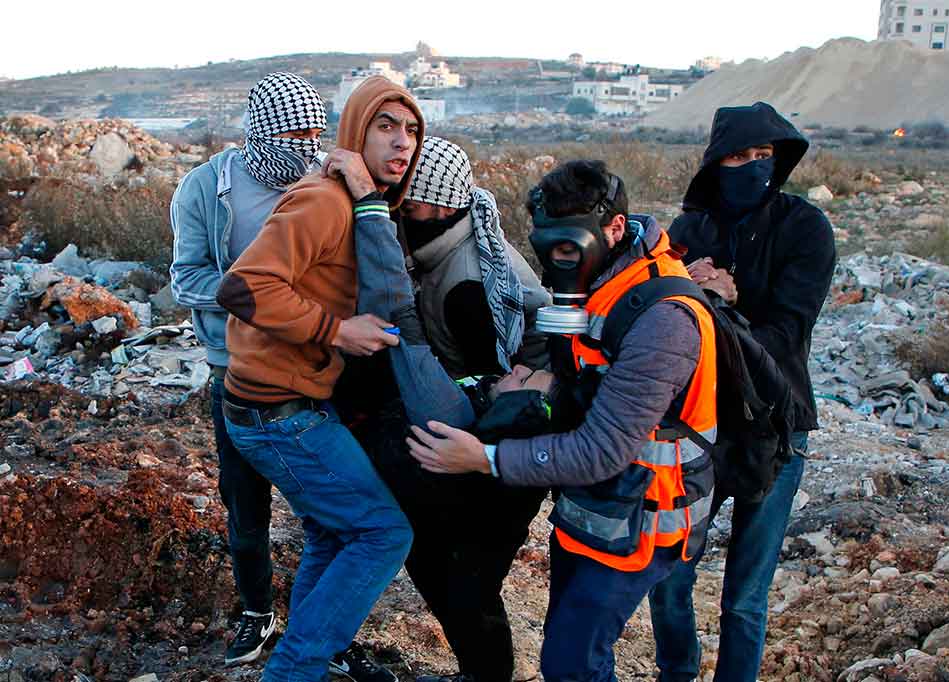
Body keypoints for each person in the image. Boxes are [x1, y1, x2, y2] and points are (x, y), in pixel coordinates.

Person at [403, 160, 718, 682]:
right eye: (548, 247)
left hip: (643, 519)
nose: (558, 261)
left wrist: (483, 458)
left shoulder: (664, 318)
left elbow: (603, 447)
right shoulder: (602, 284)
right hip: (591, 509)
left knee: (571, 665)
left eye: (569, 247)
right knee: (574, 653)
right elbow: (582, 390)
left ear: (613, 229)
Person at [214, 75, 424, 682]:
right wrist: (335, 331)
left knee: (335, 534)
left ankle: (307, 656)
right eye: (385, 127)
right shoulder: (324, 201)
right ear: (356, 132)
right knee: (384, 535)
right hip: (277, 412)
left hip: (292, 402)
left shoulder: (357, 202)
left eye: (411, 130)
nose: (401, 142)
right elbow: (242, 286)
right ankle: (293, 670)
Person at [323, 140, 554, 682]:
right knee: (453, 573)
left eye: (408, 199)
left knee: (465, 579)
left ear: (439, 205)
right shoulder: (453, 244)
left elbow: (473, 389)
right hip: (496, 426)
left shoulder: (465, 284)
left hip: (507, 435)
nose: (399, 205)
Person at [649, 101, 837, 682]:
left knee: (744, 599)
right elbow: (660, 317)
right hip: (697, 428)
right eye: (739, 156)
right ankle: (677, 673)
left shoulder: (804, 228)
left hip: (776, 429)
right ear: (716, 162)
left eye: (764, 156)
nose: (753, 167)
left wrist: (732, 298)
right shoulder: (690, 230)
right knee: (669, 578)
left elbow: (789, 331)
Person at [169, 71, 330, 667]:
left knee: (326, 503)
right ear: (264, 128)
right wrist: (262, 297)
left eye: (317, 132)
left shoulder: (321, 182)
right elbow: (186, 279)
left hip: (316, 364)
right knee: (244, 503)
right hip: (234, 368)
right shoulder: (208, 188)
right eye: (296, 132)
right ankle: (256, 612)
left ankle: (322, 625)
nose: (307, 145)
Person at [400, 136, 551, 377]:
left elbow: (485, 379)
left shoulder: (467, 284)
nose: (400, 218)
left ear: (446, 207)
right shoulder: (455, 245)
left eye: (408, 209)